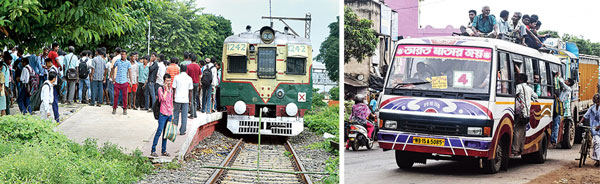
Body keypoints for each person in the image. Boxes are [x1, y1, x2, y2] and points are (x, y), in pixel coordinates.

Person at [513, 73, 538, 155]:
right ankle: (521, 148)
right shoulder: (529, 88)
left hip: (520, 113)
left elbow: (513, 94)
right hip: (527, 114)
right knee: (523, 132)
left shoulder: (519, 87)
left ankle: (515, 149)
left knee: (517, 131)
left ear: (520, 80)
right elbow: (536, 96)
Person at [151, 74, 173, 158]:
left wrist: (172, 112)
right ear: (164, 81)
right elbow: (162, 99)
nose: (168, 82)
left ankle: (163, 150)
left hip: (169, 113)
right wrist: (166, 90)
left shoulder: (171, 90)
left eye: (169, 81)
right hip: (162, 113)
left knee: (166, 133)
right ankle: (153, 149)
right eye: (167, 81)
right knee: (159, 131)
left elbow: (171, 101)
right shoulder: (160, 89)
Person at [172, 64, 193, 135]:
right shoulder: (189, 78)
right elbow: (190, 91)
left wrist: (173, 98)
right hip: (185, 99)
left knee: (176, 115)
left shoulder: (176, 77)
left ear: (180, 69)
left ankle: (174, 130)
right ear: (186, 70)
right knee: (184, 116)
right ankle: (182, 131)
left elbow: (174, 88)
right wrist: (190, 100)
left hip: (177, 98)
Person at [110, 50, 132, 115]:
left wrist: (131, 81)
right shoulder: (117, 61)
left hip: (124, 81)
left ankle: (125, 109)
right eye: (122, 54)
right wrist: (112, 77)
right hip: (117, 81)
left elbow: (130, 71)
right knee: (115, 95)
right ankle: (114, 108)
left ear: (126, 55)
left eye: (124, 54)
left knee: (125, 96)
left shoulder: (128, 63)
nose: (123, 55)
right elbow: (113, 68)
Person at [45, 58, 60, 122]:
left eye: (46, 63)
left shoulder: (52, 70)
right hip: (54, 87)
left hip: (53, 87)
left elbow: (54, 81)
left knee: (54, 102)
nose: (46, 65)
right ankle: (56, 118)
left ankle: (56, 118)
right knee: (54, 102)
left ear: (49, 62)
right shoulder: (54, 68)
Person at [187, 54, 201, 119]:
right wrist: (199, 83)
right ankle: (195, 114)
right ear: (196, 59)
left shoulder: (189, 66)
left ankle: (192, 114)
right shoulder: (198, 66)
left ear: (190, 59)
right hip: (196, 83)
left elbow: (186, 75)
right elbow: (200, 76)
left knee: (191, 99)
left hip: (190, 84)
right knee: (195, 98)